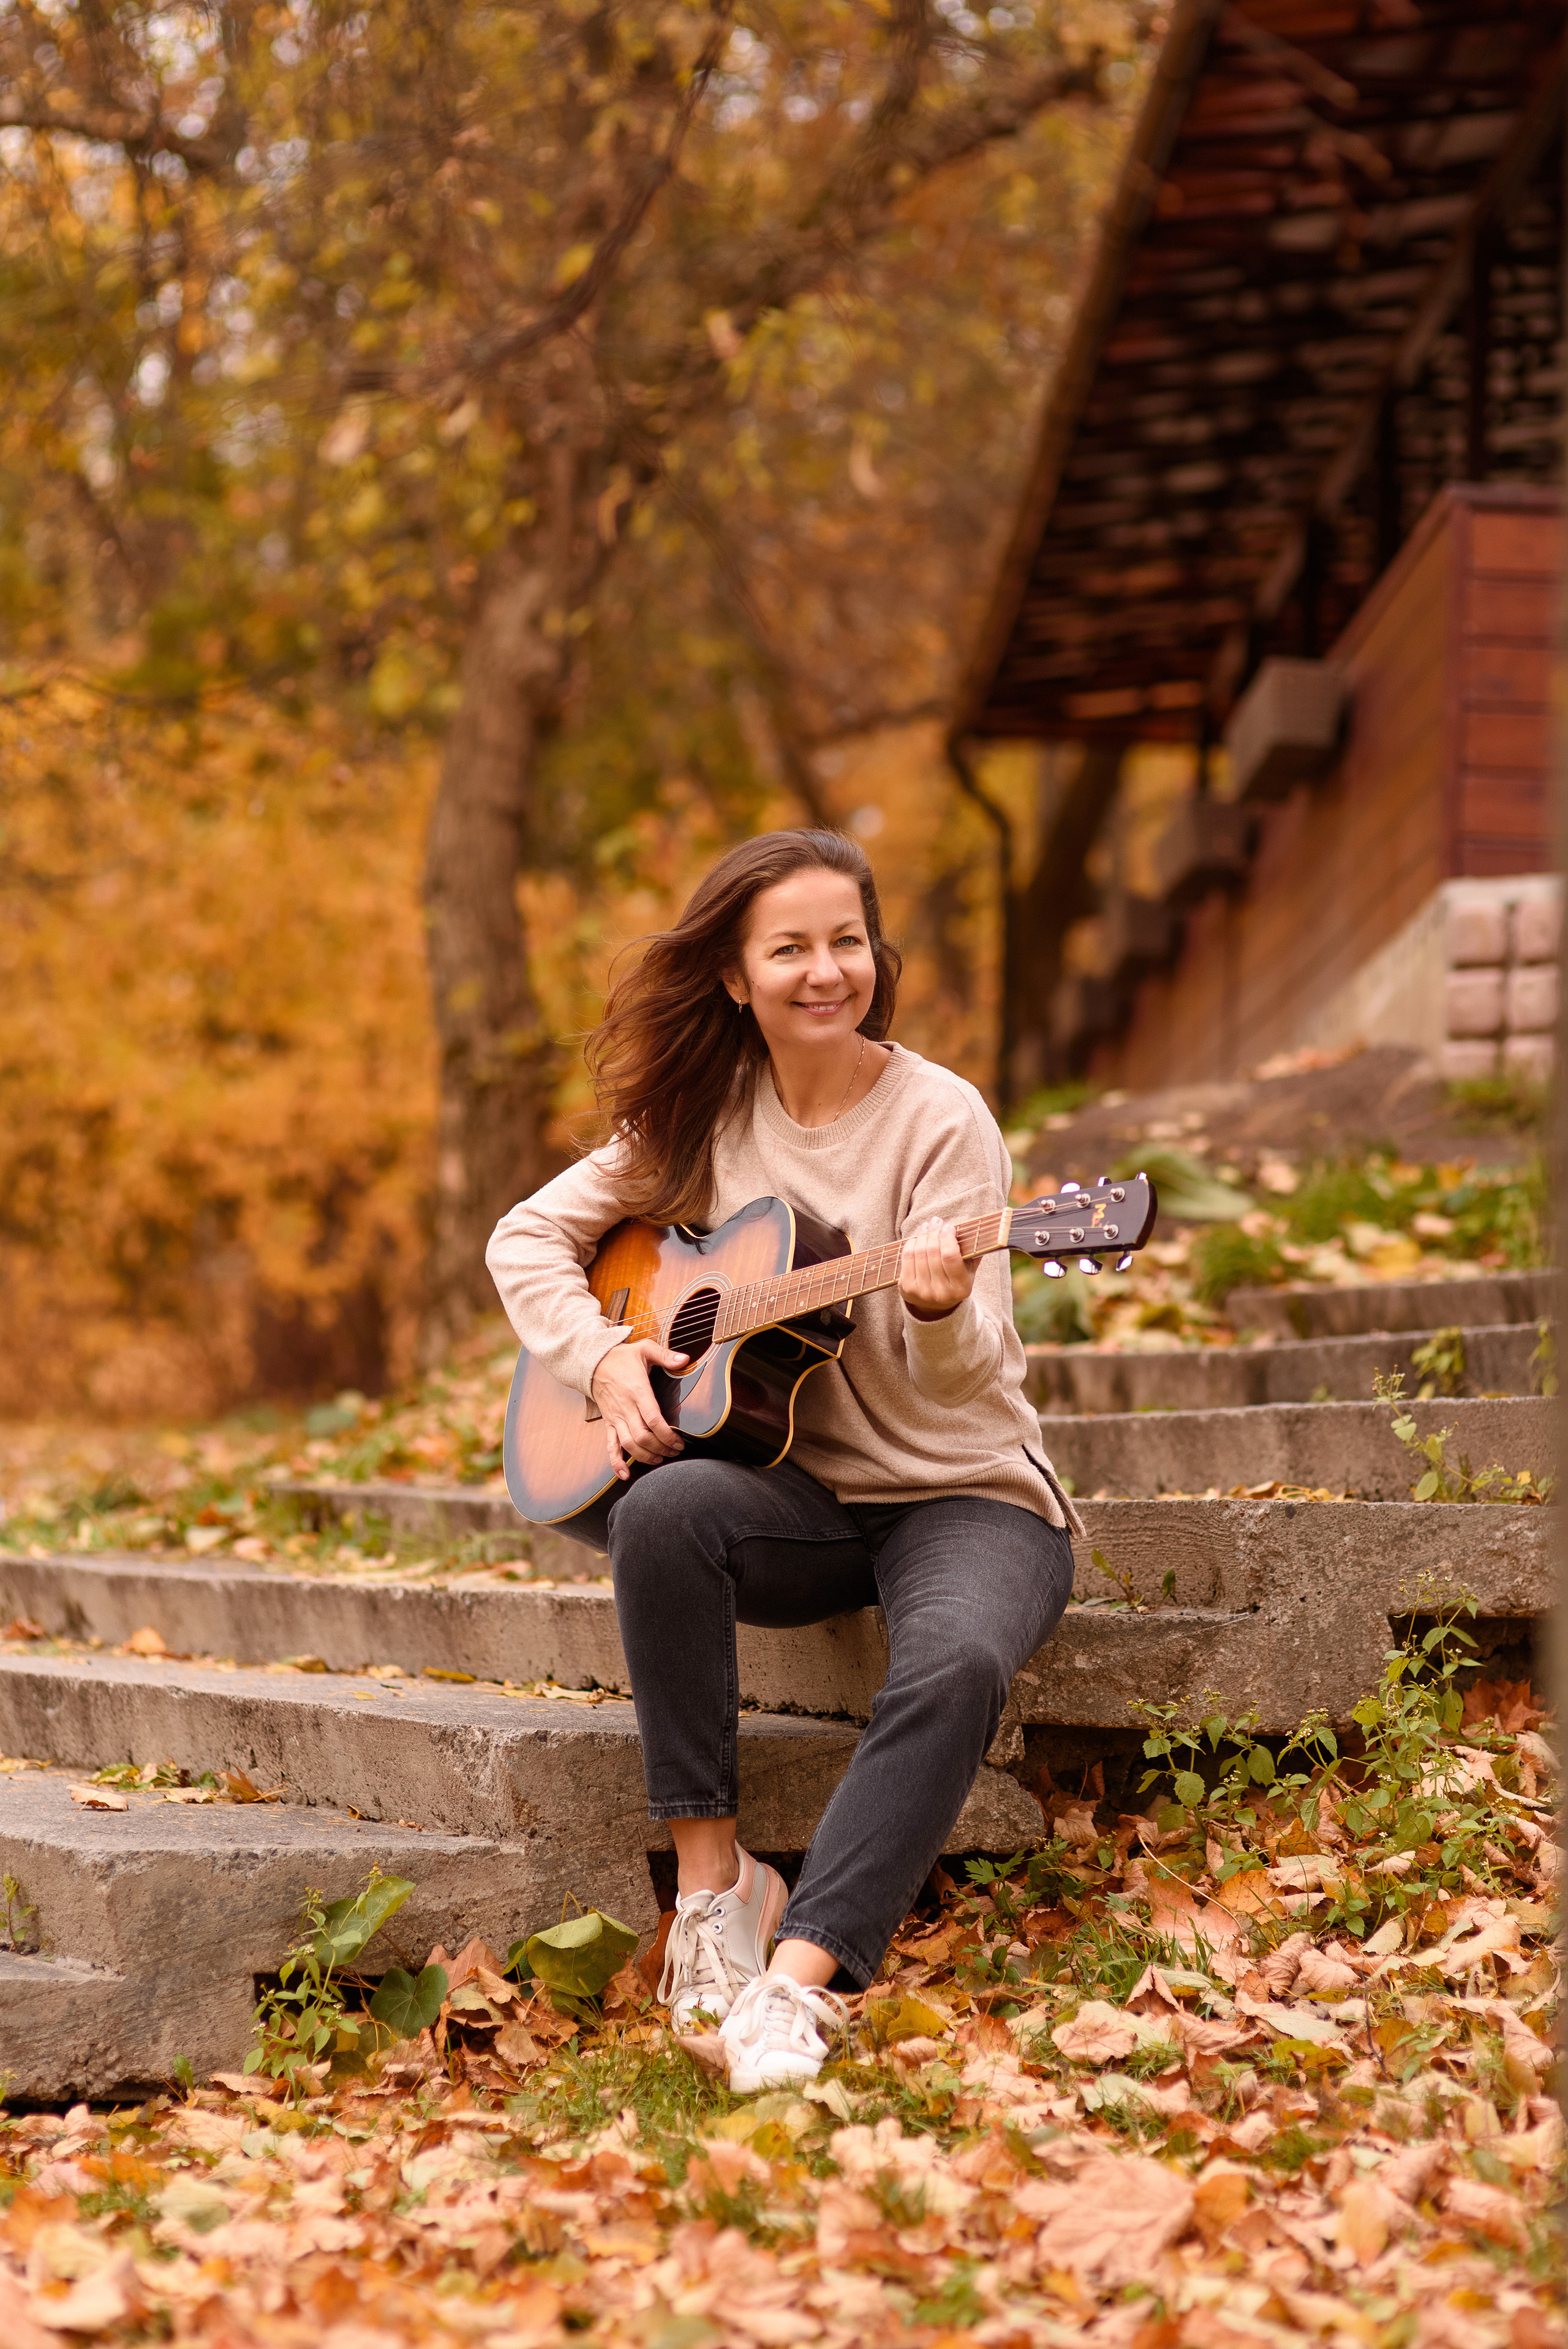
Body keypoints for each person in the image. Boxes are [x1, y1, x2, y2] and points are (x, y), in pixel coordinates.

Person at [486, 829, 1082, 2091]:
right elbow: (526, 1239)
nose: (826, 971)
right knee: (663, 1514)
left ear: (876, 954)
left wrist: (931, 1305)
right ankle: (715, 1887)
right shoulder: (708, 1115)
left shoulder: (940, 1120)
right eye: (790, 948)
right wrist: (603, 1360)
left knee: (958, 1658)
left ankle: (796, 1983)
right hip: (802, 1493)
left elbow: (970, 1382)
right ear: (734, 976)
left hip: (963, 1491)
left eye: (846, 941)